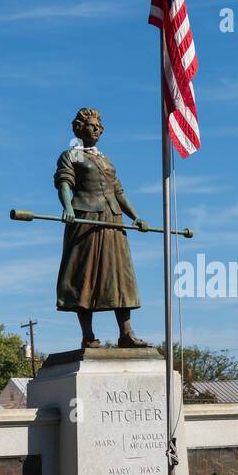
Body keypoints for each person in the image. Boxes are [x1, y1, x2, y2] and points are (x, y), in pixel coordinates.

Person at [54, 107, 150, 348]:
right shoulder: (71, 155)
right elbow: (65, 183)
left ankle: (126, 333)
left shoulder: (105, 159)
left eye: (99, 126)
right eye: (91, 125)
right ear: (79, 128)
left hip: (112, 220)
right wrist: (68, 208)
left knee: (121, 276)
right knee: (84, 275)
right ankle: (88, 335)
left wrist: (136, 217)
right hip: (86, 218)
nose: (96, 129)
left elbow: (118, 192)